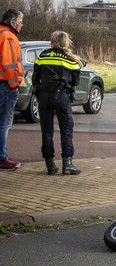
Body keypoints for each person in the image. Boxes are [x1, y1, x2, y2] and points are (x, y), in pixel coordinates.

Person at [32, 31, 82, 175]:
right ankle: (67, 164)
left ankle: (50, 166)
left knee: (46, 131)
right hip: (61, 96)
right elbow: (76, 80)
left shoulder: (42, 55)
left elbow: (35, 77)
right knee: (66, 130)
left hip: (43, 96)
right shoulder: (71, 59)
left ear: (52, 41)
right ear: (66, 42)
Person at [0, 9, 25, 171]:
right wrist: (14, 83)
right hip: (5, 85)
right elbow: (9, 64)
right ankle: (2, 157)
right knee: (4, 123)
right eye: (20, 21)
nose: (22, 25)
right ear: (12, 22)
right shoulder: (8, 36)